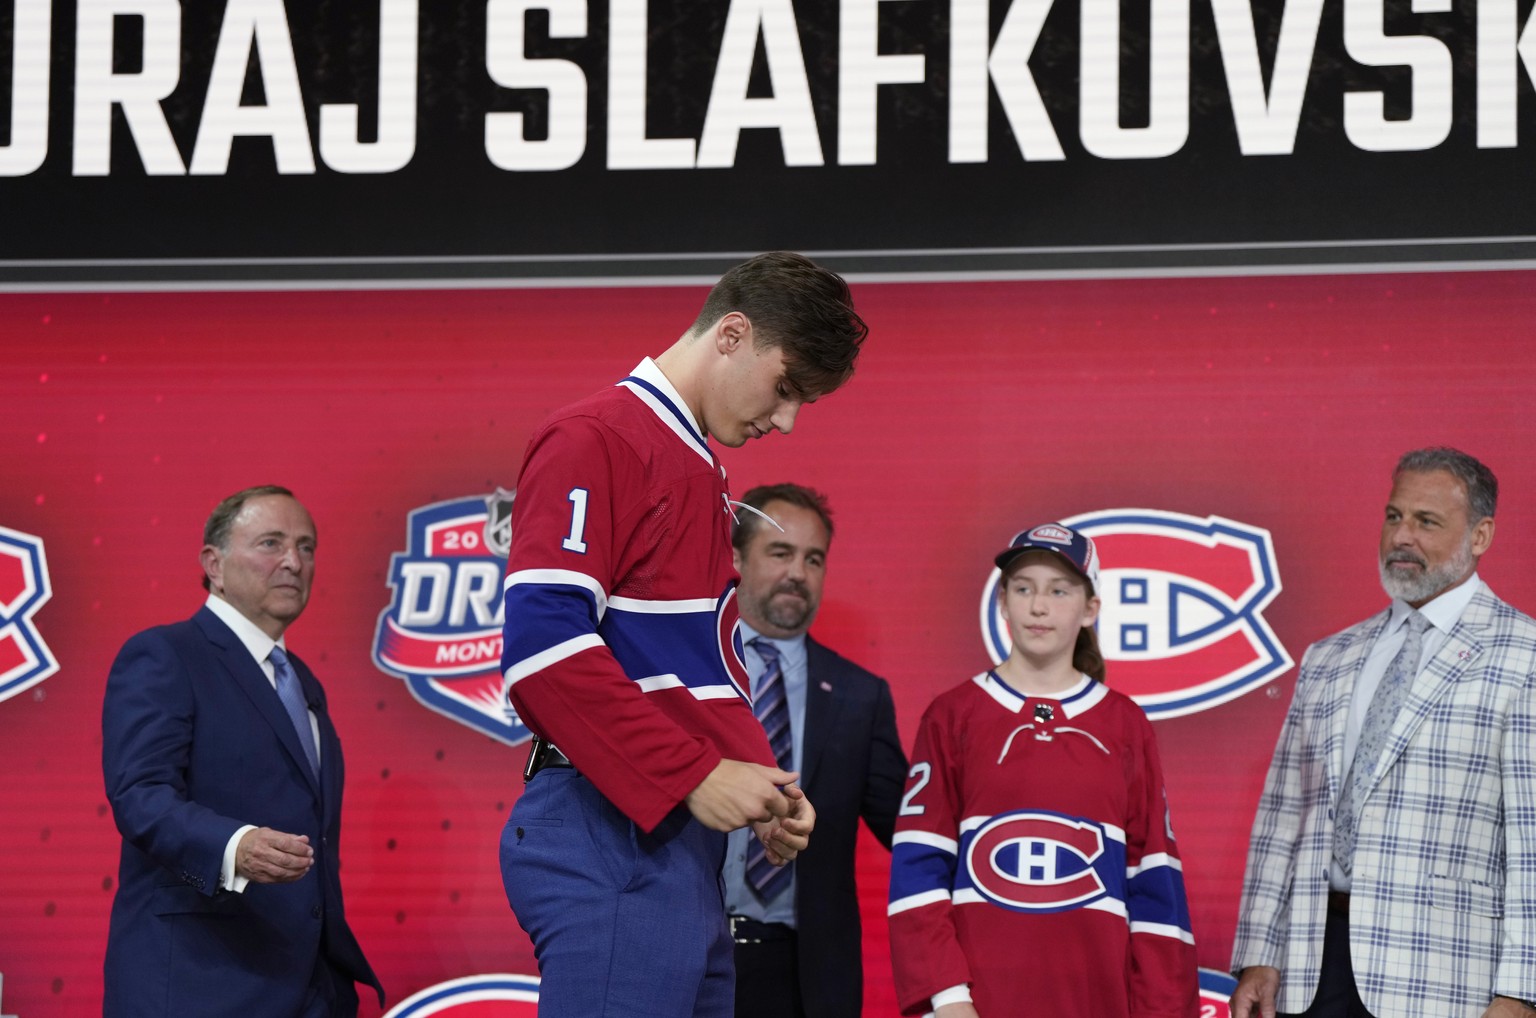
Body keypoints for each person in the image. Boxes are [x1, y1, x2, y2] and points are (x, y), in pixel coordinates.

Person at [498, 252, 868, 1016]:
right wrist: (695, 773)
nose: (787, 419)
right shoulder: (595, 436)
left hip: (675, 848)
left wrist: (763, 782)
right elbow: (543, 650)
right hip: (605, 824)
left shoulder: (697, 464)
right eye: (786, 387)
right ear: (731, 334)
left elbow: (688, 660)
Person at [1230, 448, 1536, 1018]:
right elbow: (1283, 820)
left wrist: (1523, 990)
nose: (1402, 536)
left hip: (1450, 981)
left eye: (1427, 521)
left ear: (1481, 536)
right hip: (1310, 972)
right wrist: (1258, 952)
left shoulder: (1525, 658)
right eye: (1394, 517)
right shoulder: (1330, 658)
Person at [888, 523, 1198, 1018]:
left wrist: (1161, 1009)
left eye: (1059, 590)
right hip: (979, 1004)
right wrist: (947, 998)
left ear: (1090, 608)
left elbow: (1154, 883)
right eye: (1023, 588)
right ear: (1003, 602)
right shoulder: (952, 715)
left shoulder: (1125, 724)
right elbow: (918, 866)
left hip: (1097, 1000)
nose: (1038, 606)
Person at [101, 485, 383, 1017]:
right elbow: (140, 795)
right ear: (214, 564)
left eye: (306, 547)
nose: (293, 563)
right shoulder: (165, 654)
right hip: (198, 983)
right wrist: (234, 846)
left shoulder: (302, 682)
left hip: (308, 988)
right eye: (270, 543)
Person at [724, 483, 908, 1018]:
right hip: (687, 956)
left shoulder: (860, 695)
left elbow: (909, 827)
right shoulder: (685, 673)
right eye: (780, 553)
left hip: (806, 979)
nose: (798, 574)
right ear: (736, 558)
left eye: (813, 559)